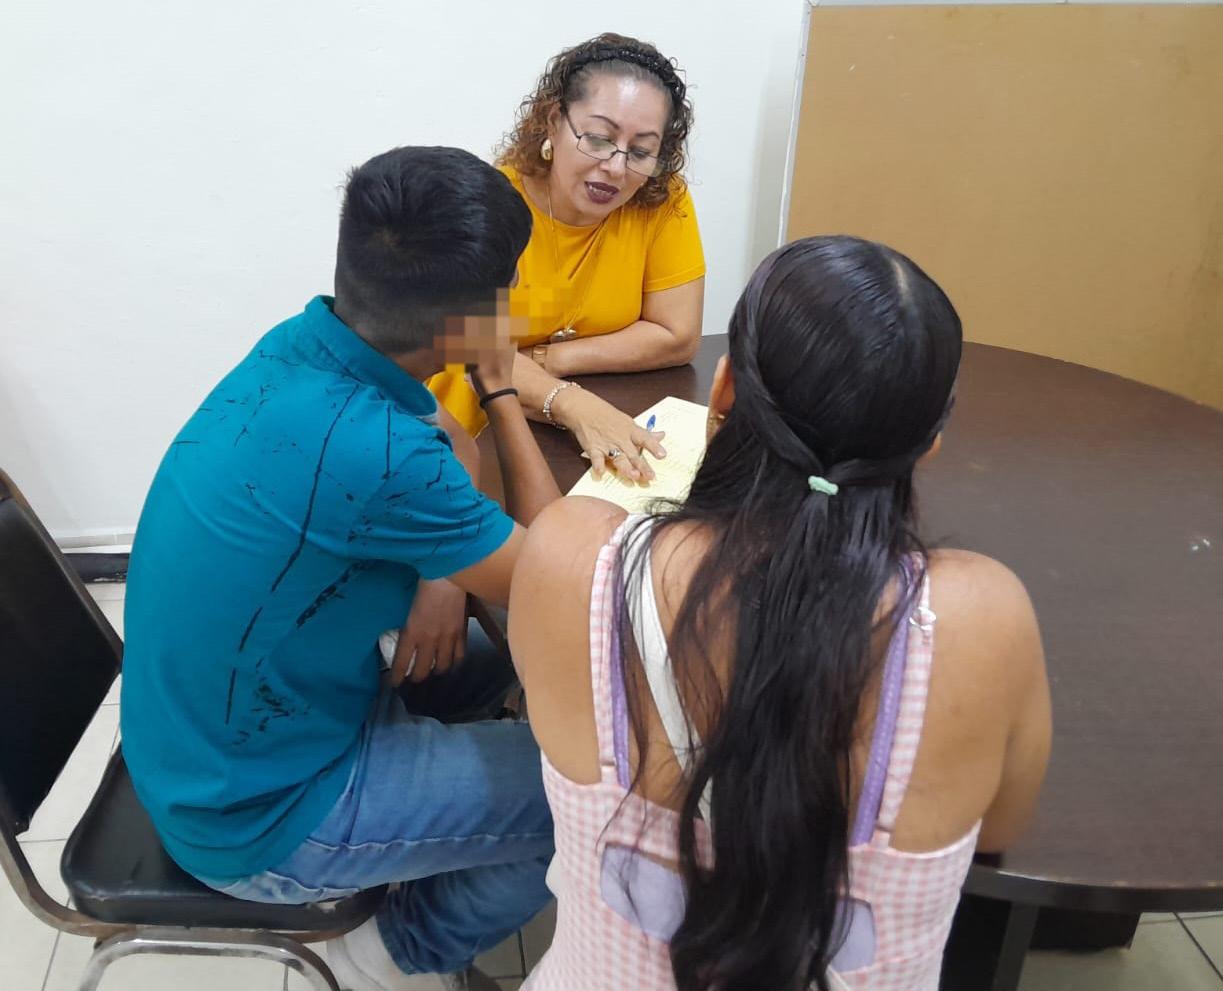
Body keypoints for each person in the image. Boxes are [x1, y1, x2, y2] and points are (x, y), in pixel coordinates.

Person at [508, 236, 1053, 990]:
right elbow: (1000, 829)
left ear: (723, 391)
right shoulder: (979, 620)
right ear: (928, 443)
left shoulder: (574, 559)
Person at [120, 146, 563, 991]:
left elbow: (447, 441)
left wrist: (441, 574)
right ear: (473, 321)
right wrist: (503, 390)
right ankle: (393, 956)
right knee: (584, 798)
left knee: (508, 664)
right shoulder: (377, 451)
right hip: (258, 813)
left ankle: (429, 839)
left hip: (208, 740)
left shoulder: (306, 342)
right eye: (511, 285)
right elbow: (561, 582)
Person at [428, 33, 706, 485]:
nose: (616, 167)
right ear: (554, 122)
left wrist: (550, 359)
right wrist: (572, 403)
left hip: (575, 433)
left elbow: (676, 335)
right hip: (468, 438)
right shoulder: (492, 204)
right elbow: (471, 349)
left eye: (640, 151)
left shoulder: (661, 199)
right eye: (598, 138)